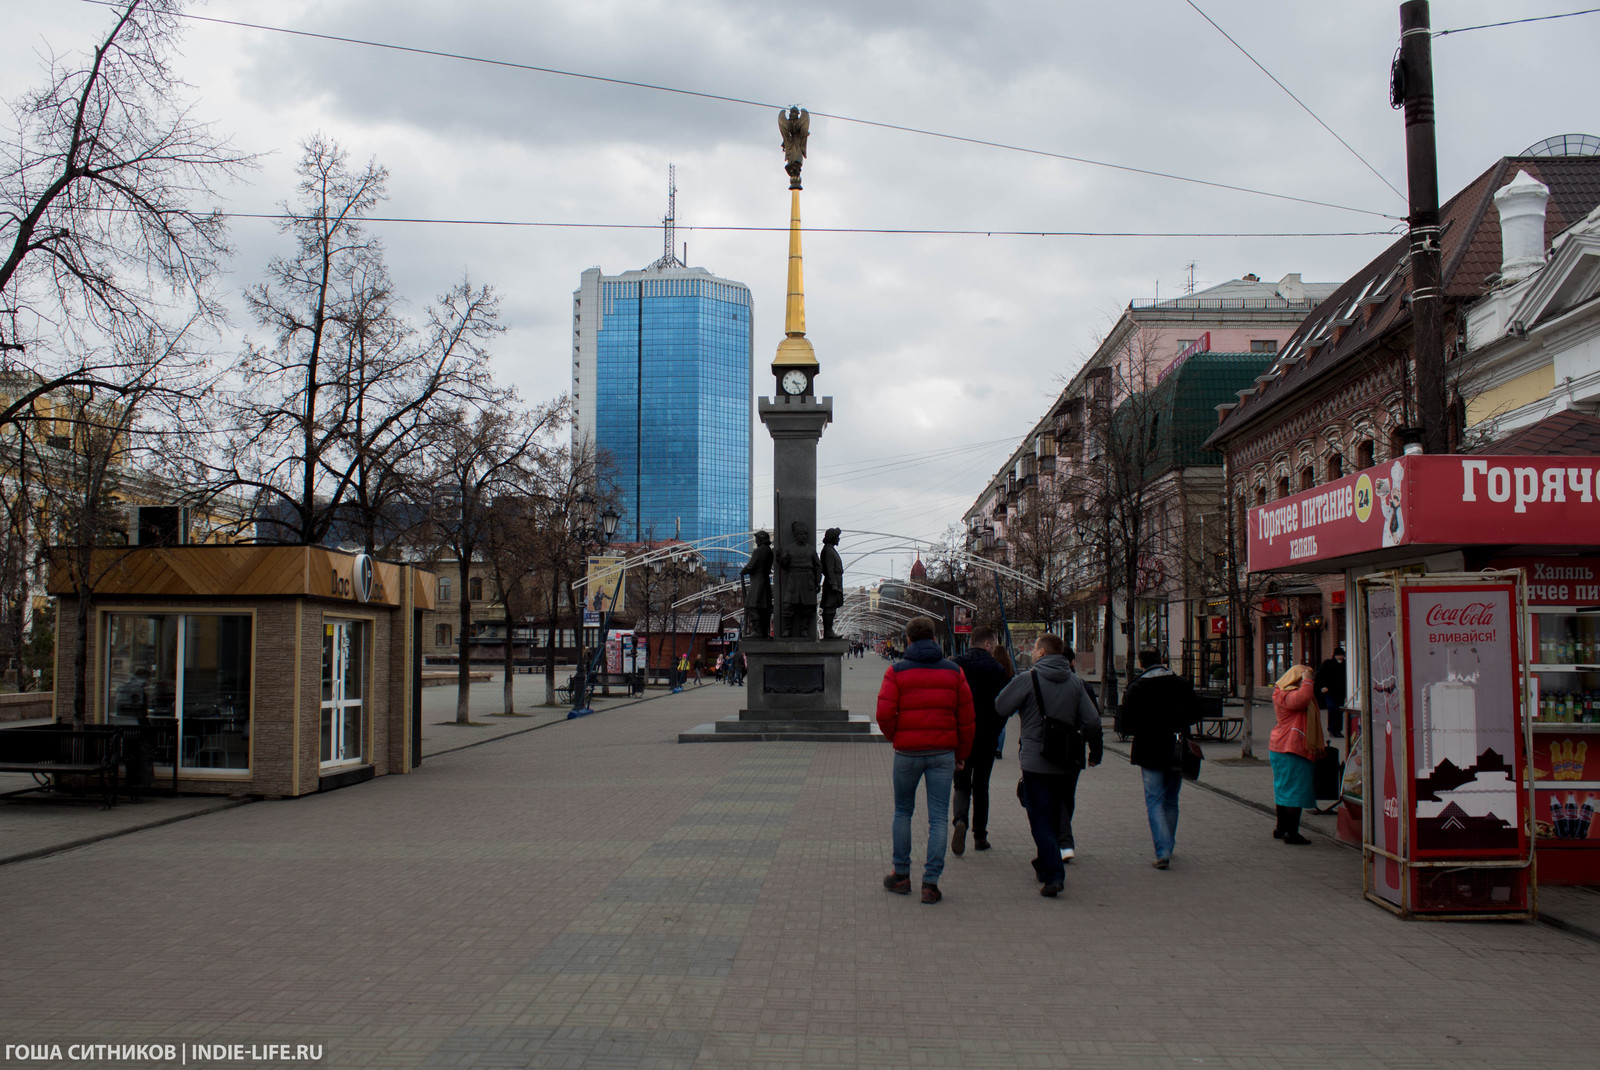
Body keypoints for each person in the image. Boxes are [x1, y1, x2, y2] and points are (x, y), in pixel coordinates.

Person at [876, 616, 975, 905]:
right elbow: (967, 720)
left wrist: (897, 737)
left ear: (908, 640)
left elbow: (883, 714)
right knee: (938, 817)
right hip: (943, 754)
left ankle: (901, 875)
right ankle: (930, 883)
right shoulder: (954, 672)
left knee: (903, 811)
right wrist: (961, 755)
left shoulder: (896, 672)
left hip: (907, 753)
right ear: (933, 639)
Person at [994, 633, 1102, 897]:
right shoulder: (1076, 683)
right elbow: (1093, 722)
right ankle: (1045, 862)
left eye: (1034, 648)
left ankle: (1053, 874)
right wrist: (1087, 746)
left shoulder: (1027, 680)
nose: (1032, 651)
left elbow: (1000, 706)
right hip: (1067, 761)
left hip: (1036, 761)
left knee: (1039, 816)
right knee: (1057, 813)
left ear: (1041, 653)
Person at [1120, 648, 1203, 869]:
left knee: (1154, 800)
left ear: (1141, 662)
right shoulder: (1181, 684)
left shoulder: (1136, 687)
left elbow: (1124, 724)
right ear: (1161, 660)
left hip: (1148, 750)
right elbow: (1196, 713)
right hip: (1177, 749)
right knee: (1171, 799)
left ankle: (1162, 850)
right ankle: (1169, 845)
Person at [949, 627, 1012, 856]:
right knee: (982, 785)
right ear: (987, 644)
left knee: (961, 783)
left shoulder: (956, 665)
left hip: (961, 737)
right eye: (993, 643)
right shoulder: (998, 670)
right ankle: (980, 835)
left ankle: (960, 820)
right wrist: (996, 729)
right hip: (986, 737)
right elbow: (1004, 706)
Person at [1269, 664, 1321, 845]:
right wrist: (1307, 679)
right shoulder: (1286, 694)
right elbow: (1303, 698)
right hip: (1291, 747)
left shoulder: (1281, 692)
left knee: (1283, 790)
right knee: (1294, 792)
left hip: (1280, 747)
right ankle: (1291, 833)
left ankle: (1281, 828)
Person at [1314, 646, 1347, 740]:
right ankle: (1332, 729)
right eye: (1338, 655)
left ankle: (1338, 730)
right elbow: (1319, 676)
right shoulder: (1328, 663)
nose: (1340, 657)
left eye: (1341, 655)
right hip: (1329, 692)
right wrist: (1322, 686)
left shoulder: (1345, 665)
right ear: (1335, 655)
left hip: (1340, 692)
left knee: (1339, 711)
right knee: (1332, 708)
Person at [992, 643, 1015, 759]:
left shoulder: (993, 665)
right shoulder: (1008, 665)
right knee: (1002, 726)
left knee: (994, 723)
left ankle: (993, 746)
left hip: (994, 697)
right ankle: (999, 750)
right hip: (1006, 697)